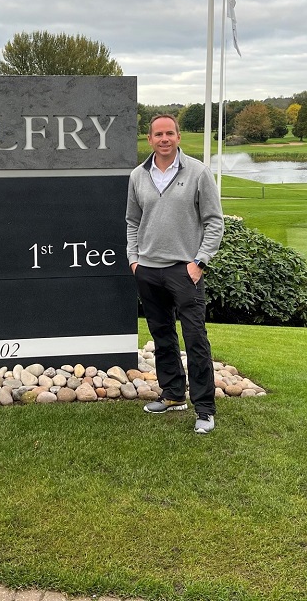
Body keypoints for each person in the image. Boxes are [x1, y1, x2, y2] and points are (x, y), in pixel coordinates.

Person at [125, 114, 224, 434]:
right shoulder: (138, 175)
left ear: (178, 137)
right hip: (148, 270)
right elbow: (132, 221)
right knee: (162, 336)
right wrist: (134, 259)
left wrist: (200, 262)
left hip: (185, 271)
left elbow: (214, 221)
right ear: (149, 139)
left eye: (170, 133)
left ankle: (204, 408)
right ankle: (172, 394)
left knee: (195, 339)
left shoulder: (198, 172)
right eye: (158, 134)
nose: (164, 139)